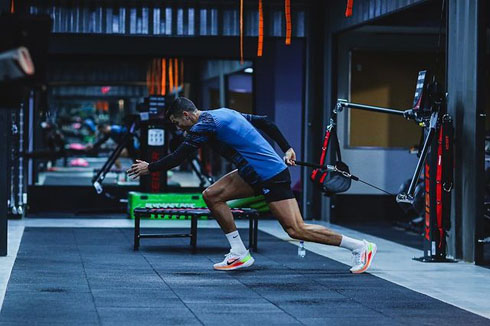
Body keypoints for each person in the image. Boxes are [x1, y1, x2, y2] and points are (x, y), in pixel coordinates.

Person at [127, 97, 377, 273]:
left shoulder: (204, 124)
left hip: (269, 175)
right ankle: (239, 252)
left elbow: (181, 155)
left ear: (186, 115)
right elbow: (266, 122)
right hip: (252, 172)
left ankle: (359, 247)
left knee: (296, 229)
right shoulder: (224, 113)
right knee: (212, 195)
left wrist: (151, 167)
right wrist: (287, 146)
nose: (177, 127)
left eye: (176, 122)